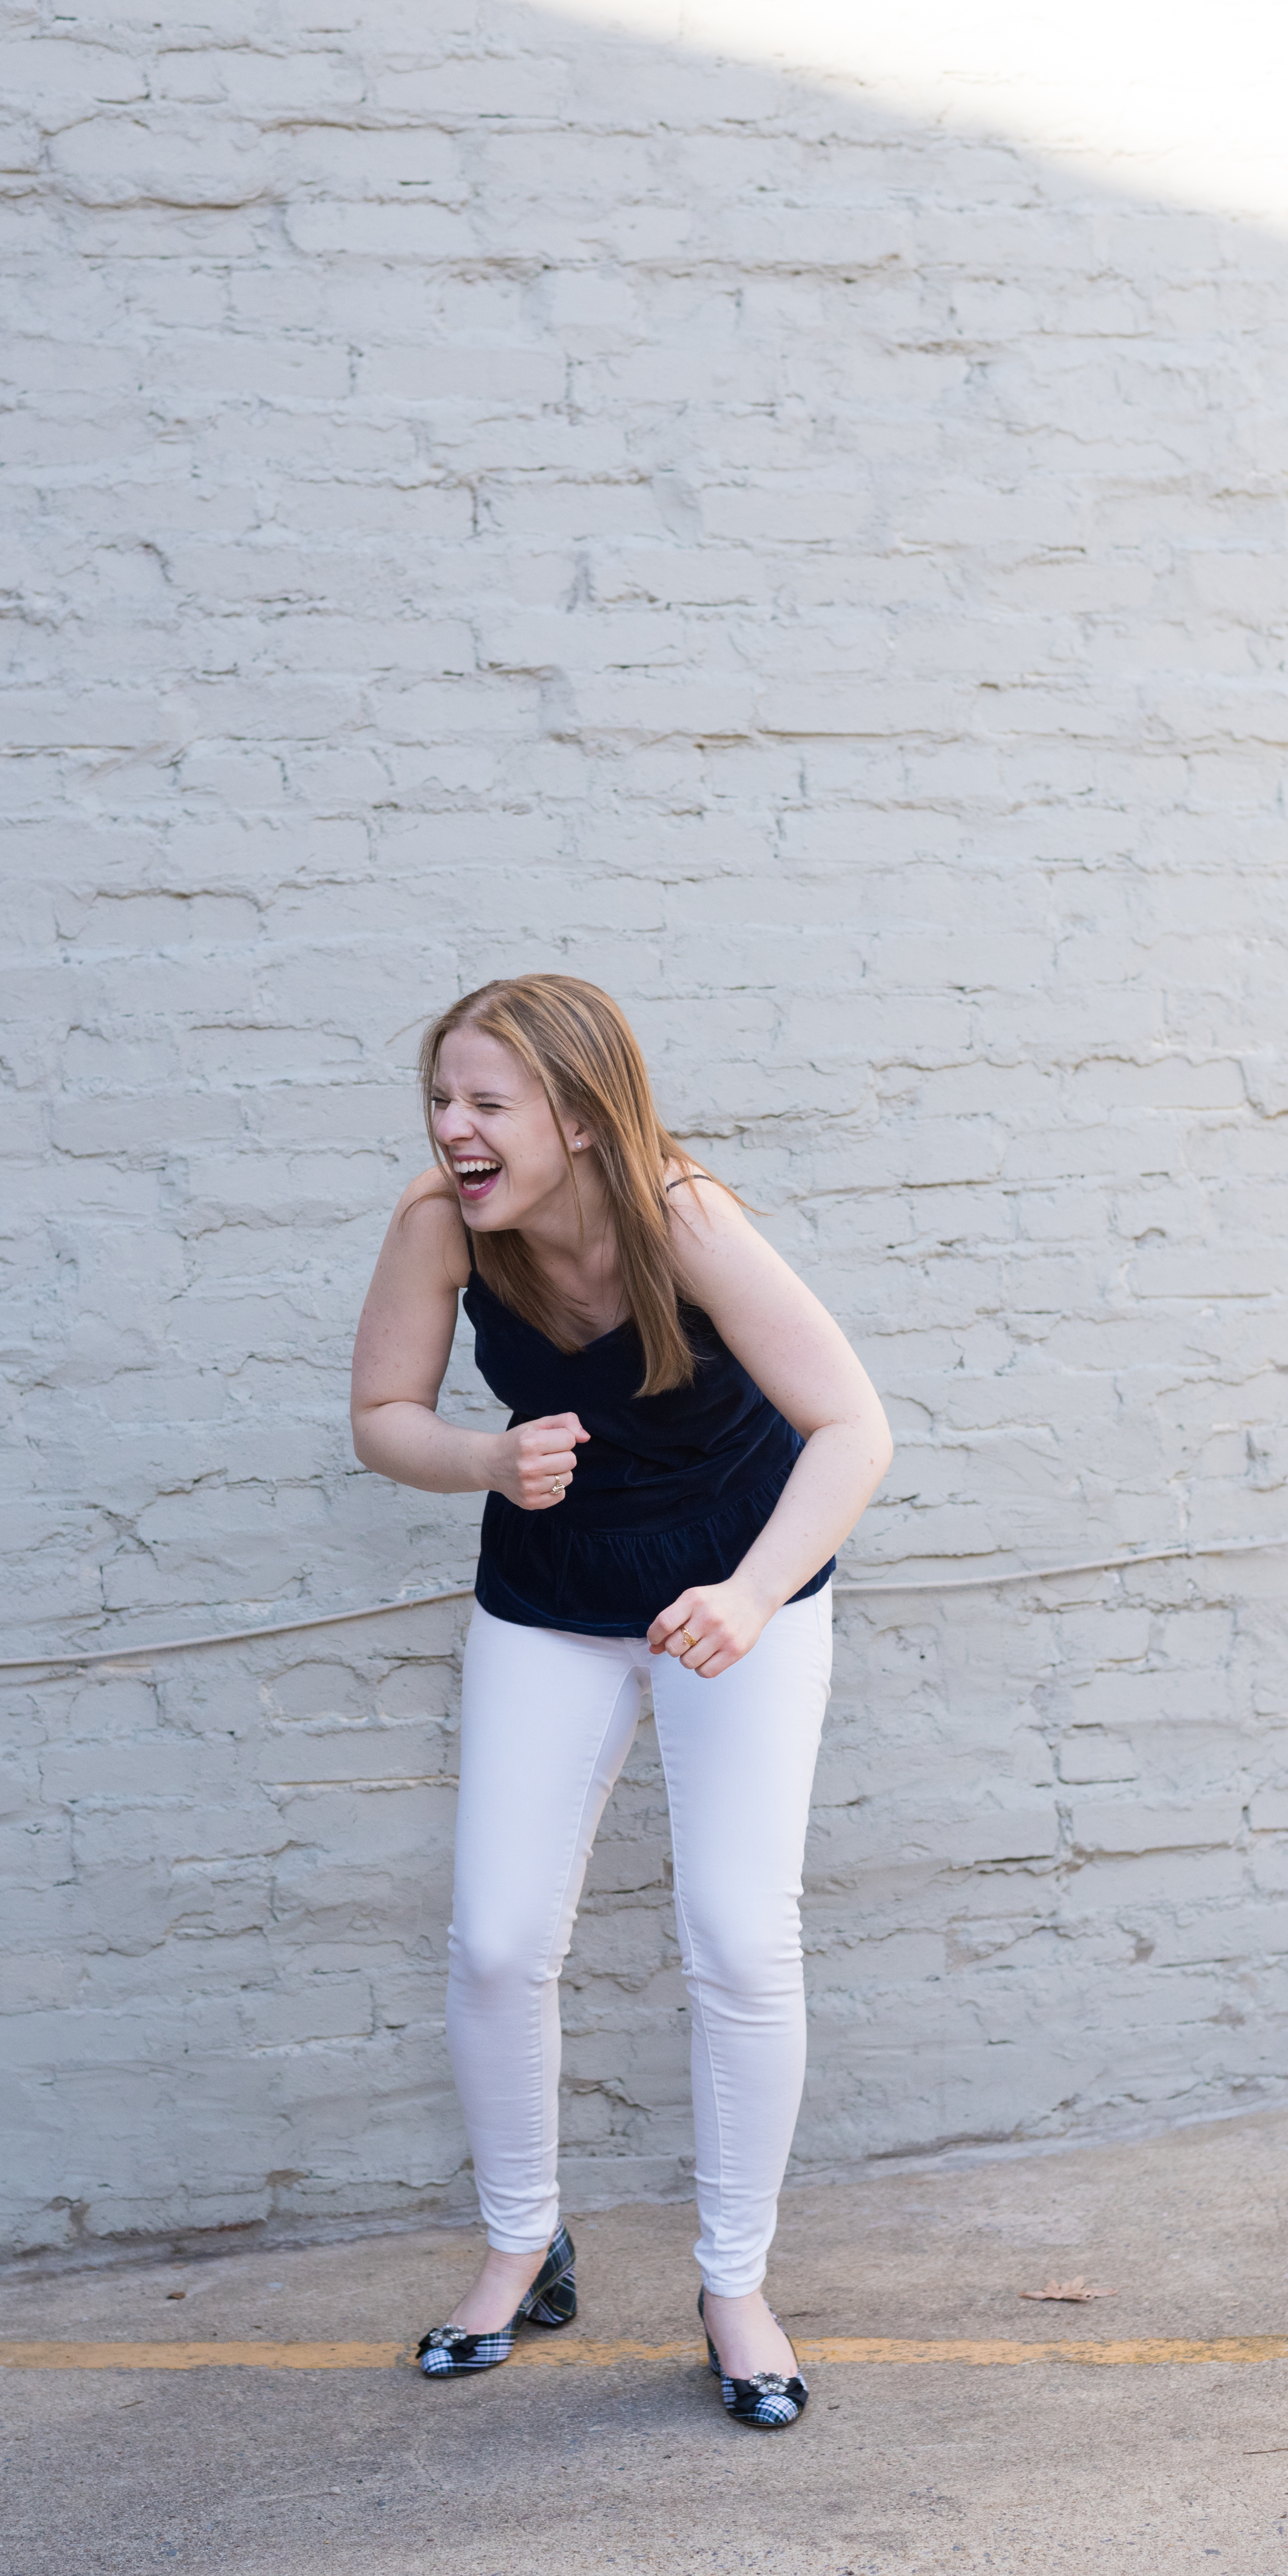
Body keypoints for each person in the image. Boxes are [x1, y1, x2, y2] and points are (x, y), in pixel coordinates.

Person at [350, 975, 893, 2430]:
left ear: (580, 1122)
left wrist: (754, 1598)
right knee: (497, 1938)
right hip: (555, 1595)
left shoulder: (687, 1218)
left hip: (740, 1589)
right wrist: (480, 1459)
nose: (452, 1128)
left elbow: (854, 1428)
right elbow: (382, 1417)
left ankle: (733, 2284)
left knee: (737, 1935)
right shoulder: (438, 1228)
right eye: (440, 1100)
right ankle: (523, 2247)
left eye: (486, 1103)